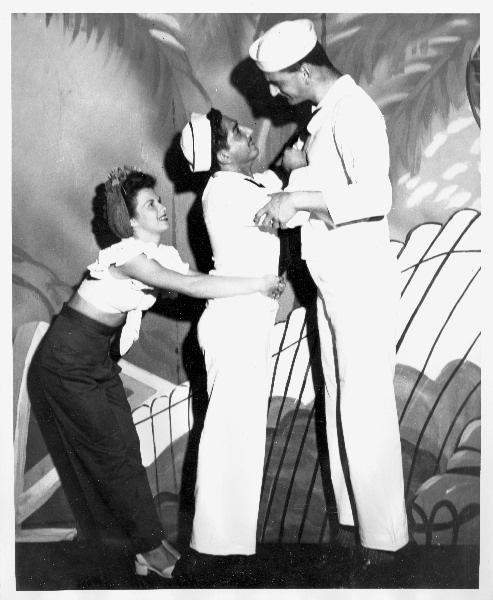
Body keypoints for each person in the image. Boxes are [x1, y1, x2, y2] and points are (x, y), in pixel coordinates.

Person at [27, 166, 284, 582]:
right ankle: (147, 549)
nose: (162, 208)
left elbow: (197, 279)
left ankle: (147, 546)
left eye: (158, 200)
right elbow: (192, 287)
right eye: (150, 205)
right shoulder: (128, 257)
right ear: (131, 221)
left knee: (126, 450)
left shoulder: (161, 256)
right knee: (111, 456)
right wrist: (259, 283)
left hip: (95, 358)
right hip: (66, 361)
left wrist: (254, 282)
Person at [249, 19, 409, 582]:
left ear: (305, 70)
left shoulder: (355, 111)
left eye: (277, 82)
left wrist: (298, 197)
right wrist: (296, 180)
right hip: (333, 280)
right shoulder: (325, 115)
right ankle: (353, 519)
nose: (274, 94)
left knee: (364, 405)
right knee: (341, 396)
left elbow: (376, 195)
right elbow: (330, 191)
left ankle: (385, 541)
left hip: (360, 281)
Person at [179, 110, 284, 573]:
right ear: (222, 155)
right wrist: (296, 175)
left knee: (238, 437)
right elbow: (286, 209)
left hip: (243, 322)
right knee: (228, 438)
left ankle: (227, 549)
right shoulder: (226, 192)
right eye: (237, 133)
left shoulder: (235, 186)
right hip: (235, 324)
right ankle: (209, 552)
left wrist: (285, 170)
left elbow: (270, 187)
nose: (247, 132)